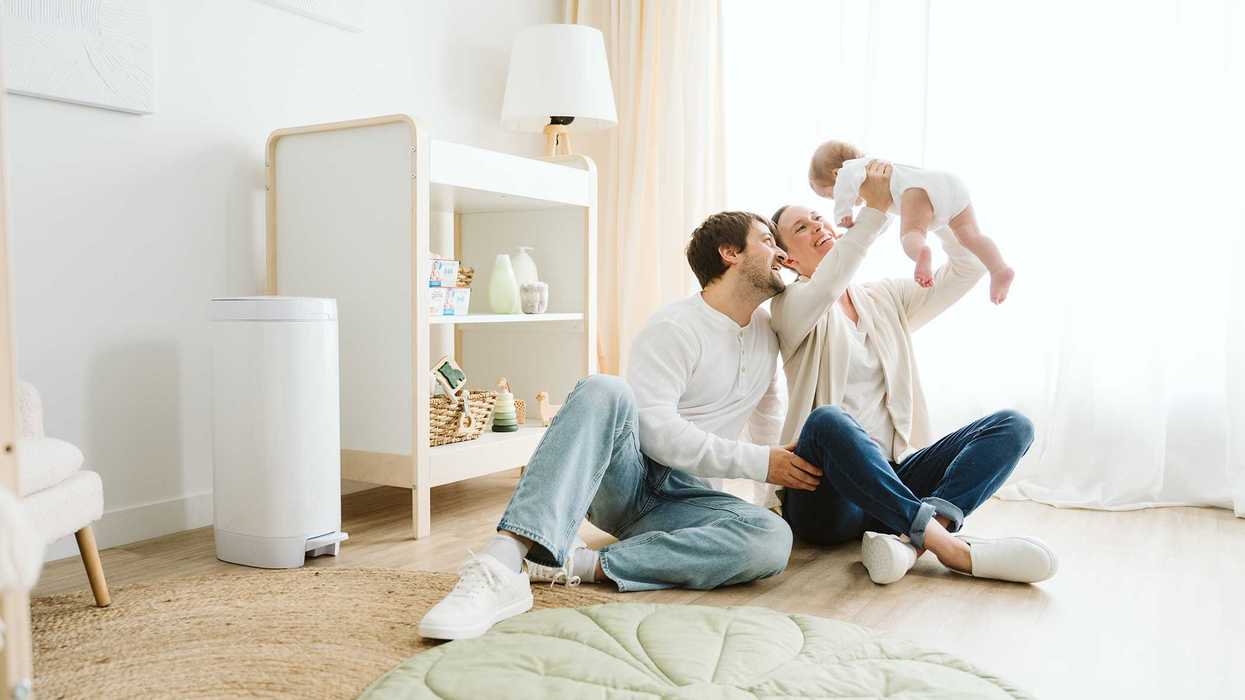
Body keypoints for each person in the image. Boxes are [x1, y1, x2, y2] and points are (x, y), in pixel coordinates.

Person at [418, 207, 833, 640]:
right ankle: (501, 562)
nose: (780, 251)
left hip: (688, 501)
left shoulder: (767, 333)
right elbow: (657, 432)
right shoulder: (675, 326)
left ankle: (573, 564)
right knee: (605, 388)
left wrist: (773, 495)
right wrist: (759, 462)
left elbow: (768, 420)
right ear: (730, 253)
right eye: (767, 240)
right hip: (629, 481)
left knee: (771, 539)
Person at [770, 159, 1056, 585]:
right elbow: (828, 285)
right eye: (802, 229)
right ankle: (948, 546)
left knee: (1013, 426)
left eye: (818, 218)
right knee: (829, 421)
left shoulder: (884, 299)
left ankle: (912, 540)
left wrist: (928, 203)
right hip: (826, 497)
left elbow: (967, 269)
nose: (818, 228)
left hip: (892, 479)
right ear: (788, 258)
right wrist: (876, 208)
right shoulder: (790, 306)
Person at [809, 139, 1015, 303]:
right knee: (970, 236)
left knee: (912, 235)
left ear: (836, 173)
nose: (834, 198)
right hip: (949, 184)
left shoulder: (851, 170)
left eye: (829, 195)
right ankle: (998, 268)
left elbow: (845, 190)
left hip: (916, 191)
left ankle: (921, 253)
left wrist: (842, 213)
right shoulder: (879, 169)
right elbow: (885, 217)